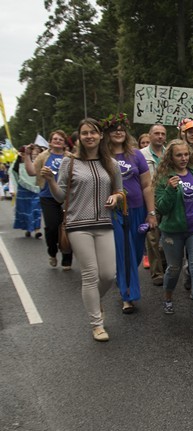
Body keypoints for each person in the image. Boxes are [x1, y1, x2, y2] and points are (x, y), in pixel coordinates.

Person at [40, 118, 124, 342]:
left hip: (105, 223)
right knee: (89, 275)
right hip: (78, 225)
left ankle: (95, 303)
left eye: (93, 133)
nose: (89, 136)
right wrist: (50, 181)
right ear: (79, 137)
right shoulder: (70, 163)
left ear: (100, 136)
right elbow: (60, 197)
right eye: (84, 133)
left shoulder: (111, 164)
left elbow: (120, 191)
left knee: (108, 274)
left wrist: (116, 197)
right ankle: (97, 324)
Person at [154, 139, 193, 328]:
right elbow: (161, 207)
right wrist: (171, 190)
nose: (183, 158)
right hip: (173, 230)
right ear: (170, 157)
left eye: (186, 154)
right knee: (174, 268)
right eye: (179, 155)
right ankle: (168, 297)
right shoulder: (164, 177)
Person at [102, 113, 157, 314]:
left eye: (122, 128)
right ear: (107, 133)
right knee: (124, 251)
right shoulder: (102, 156)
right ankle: (128, 296)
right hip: (115, 212)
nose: (118, 131)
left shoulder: (136, 155)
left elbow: (146, 185)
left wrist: (151, 213)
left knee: (134, 253)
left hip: (138, 209)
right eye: (114, 128)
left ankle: (124, 280)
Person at [31, 130, 73, 269]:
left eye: (60, 139)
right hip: (48, 197)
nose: (57, 141)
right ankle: (52, 252)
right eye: (55, 139)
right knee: (52, 227)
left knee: (69, 227)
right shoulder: (43, 156)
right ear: (50, 141)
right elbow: (32, 171)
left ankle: (67, 257)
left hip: (67, 197)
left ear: (65, 143)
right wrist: (26, 157)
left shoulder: (71, 157)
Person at [140, 123, 168, 286]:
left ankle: (164, 263)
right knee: (153, 236)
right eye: (156, 133)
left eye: (163, 134)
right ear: (149, 136)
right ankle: (157, 272)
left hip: (167, 197)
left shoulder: (169, 154)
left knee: (167, 235)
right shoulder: (141, 155)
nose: (160, 136)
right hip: (150, 198)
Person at [13, 145, 42, 239]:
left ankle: (37, 229)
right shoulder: (18, 166)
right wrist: (13, 190)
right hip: (23, 191)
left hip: (36, 190)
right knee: (26, 210)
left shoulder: (37, 164)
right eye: (34, 153)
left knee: (36, 210)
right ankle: (28, 229)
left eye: (37, 153)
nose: (36, 155)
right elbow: (13, 178)